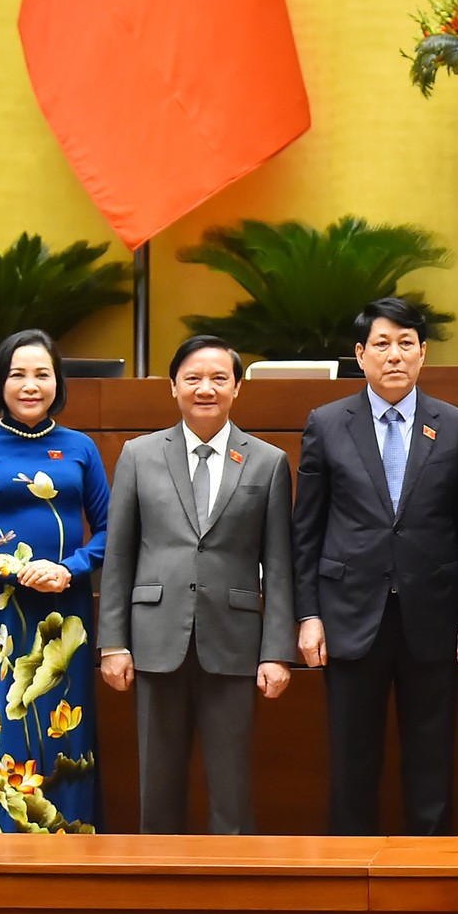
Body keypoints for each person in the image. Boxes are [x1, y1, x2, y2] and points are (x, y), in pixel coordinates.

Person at [292, 297, 458, 835]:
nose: (394, 355)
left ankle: (430, 867)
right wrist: (308, 614)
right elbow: (306, 530)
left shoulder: (455, 425)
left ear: (423, 353)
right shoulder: (327, 423)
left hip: (434, 615)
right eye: (382, 344)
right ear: (360, 354)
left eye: (406, 344)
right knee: (352, 759)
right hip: (349, 615)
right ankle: (350, 866)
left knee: (432, 758)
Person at [98, 334, 297, 834]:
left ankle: (232, 878)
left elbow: (278, 564)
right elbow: (118, 555)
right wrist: (113, 643)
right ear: (173, 386)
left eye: (218, 378)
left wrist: (277, 651)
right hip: (154, 637)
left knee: (232, 790)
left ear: (237, 388)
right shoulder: (138, 455)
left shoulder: (268, 461)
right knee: (157, 785)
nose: (205, 388)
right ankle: (158, 878)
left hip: (233, 641)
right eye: (193, 378)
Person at [0, 330, 109, 833]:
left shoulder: (80, 447)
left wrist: (69, 569)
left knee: (64, 723)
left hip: (66, 604)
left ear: (58, 382)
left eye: (42, 374)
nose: (30, 385)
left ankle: (70, 844)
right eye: (18, 374)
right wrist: (9, 568)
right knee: (2, 724)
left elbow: (111, 530)